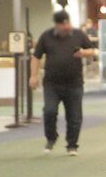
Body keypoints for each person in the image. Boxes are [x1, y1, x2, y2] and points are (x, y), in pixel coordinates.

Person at [30, 10, 95, 156]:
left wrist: (83, 53)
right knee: (49, 111)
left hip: (74, 82)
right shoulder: (46, 37)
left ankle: (72, 145)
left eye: (68, 23)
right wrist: (33, 76)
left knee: (74, 115)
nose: (66, 27)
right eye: (63, 25)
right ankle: (51, 138)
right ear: (56, 25)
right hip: (52, 83)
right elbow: (36, 57)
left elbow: (92, 50)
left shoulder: (79, 34)